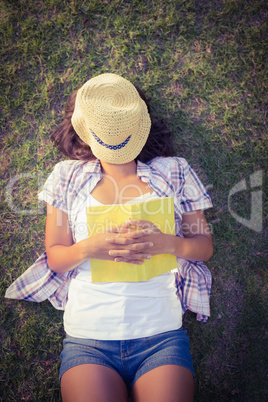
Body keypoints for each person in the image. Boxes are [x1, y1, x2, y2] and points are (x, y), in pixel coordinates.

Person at [5, 73, 213, 402]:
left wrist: (168, 244)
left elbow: (203, 248)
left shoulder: (174, 171)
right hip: (88, 341)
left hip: (160, 335)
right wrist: (92, 247)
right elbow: (56, 258)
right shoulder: (66, 176)